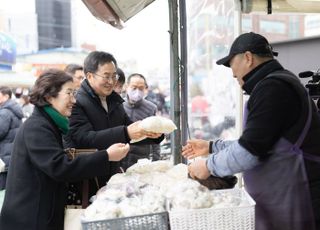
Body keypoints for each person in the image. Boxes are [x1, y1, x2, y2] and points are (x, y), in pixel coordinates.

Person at [182, 32, 320, 230]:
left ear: (248, 58)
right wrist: (211, 146)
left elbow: (249, 152)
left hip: (297, 202)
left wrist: (207, 166)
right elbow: (260, 143)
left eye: (232, 64)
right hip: (283, 201)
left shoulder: (273, 88)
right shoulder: (274, 84)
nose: (232, 73)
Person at [0, 69, 130, 230]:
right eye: (69, 93)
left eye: (74, 93)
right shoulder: (37, 127)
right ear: (49, 96)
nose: (74, 100)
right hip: (30, 218)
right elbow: (59, 166)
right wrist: (106, 156)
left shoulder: (49, 124)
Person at [65, 51, 163, 201]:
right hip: (87, 180)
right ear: (90, 76)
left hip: (111, 177)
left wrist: (152, 134)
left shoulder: (113, 101)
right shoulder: (77, 102)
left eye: (114, 76)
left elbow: (129, 128)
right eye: (106, 76)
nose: (111, 81)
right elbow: (83, 138)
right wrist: (126, 133)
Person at [122, 73, 161, 170]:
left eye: (141, 88)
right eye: (134, 87)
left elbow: (156, 137)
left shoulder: (151, 108)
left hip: (141, 161)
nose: (137, 91)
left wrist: (156, 160)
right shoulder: (119, 106)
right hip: (121, 159)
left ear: (145, 89)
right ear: (127, 87)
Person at [0, 86, 23, 190]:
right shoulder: (14, 110)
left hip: (3, 155)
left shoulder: (5, 112)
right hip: (10, 155)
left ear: (6, 96)